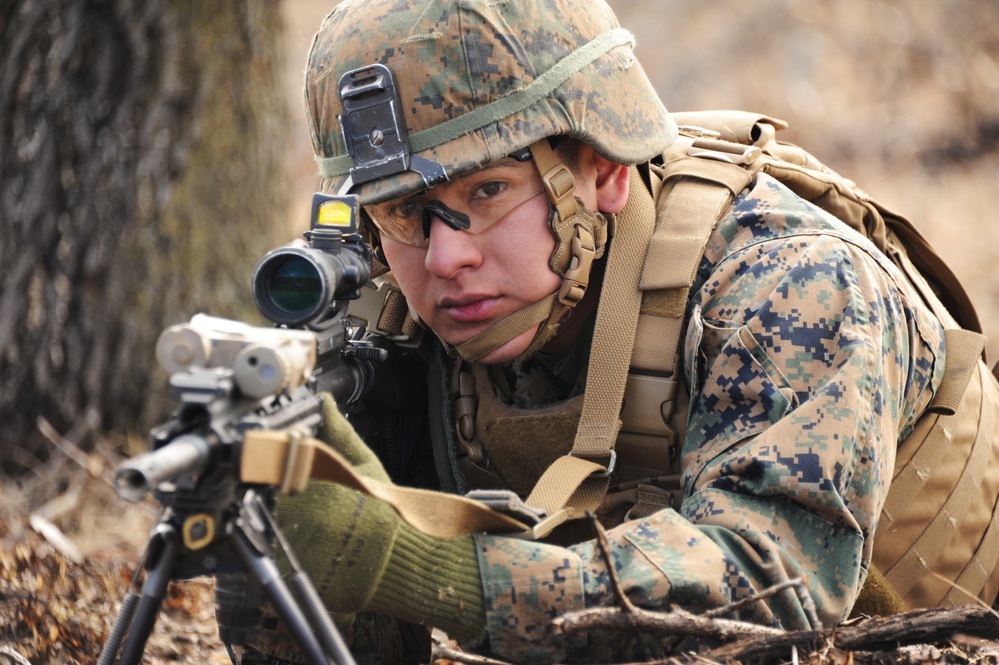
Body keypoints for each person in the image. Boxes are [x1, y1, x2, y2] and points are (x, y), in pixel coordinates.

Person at [235, 0, 999, 663]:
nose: (445, 257)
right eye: (401, 211)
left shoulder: (789, 282)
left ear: (601, 170)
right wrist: (284, 544)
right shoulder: (386, 327)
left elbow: (773, 589)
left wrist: (414, 560)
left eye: (488, 190)